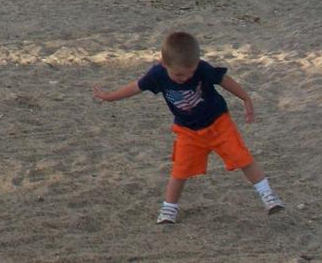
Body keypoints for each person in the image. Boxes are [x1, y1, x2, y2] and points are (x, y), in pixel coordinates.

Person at [93, 30, 283, 224]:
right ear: (163, 63)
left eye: (191, 72)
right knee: (180, 171)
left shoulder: (202, 69)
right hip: (187, 131)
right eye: (179, 74)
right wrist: (109, 97)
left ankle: (268, 196)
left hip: (218, 123)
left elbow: (223, 80)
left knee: (243, 158)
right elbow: (135, 87)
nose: (186, 77)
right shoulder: (157, 74)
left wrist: (246, 98)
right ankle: (169, 209)